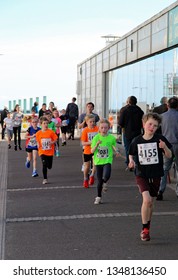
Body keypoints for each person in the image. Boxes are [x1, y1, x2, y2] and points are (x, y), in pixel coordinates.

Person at [128, 112, 172, 241]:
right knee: (146, 200)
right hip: (141, 174)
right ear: (144, 124)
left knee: (151, 203)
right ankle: (144, 229)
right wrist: (131, 161)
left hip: (156, 174)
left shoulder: (160, 139)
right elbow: (131, 153)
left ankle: (147, 224)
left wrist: (164, 148)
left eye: (155, 125)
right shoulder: (137, 140)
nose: (152, 127)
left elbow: (169, 156)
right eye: (150, 124)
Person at [91, 118, 119, 204]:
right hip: (98, 161)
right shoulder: (96, 138)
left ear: (109, 128)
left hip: (107, 160)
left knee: (107, 175)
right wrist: (97, 144)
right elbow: (92, 151)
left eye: (106, 128)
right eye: (102, 127)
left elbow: (114, 146)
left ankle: (105, 182)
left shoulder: (111, 138)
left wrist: (117, 151)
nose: (104, 129)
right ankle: (98, 197)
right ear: (99, 128)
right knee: (99, 181)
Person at [157, 96, 178, 200]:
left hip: (165, 145)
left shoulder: (161, 117)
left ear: (167, 105)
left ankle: (160, 191)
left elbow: (157, 131)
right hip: (177, 144)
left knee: (165, 168)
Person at [119, 96, 144, 169]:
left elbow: (120, 123)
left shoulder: (125, 110)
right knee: (137, 148)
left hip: (127, 132)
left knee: (128, 148)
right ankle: (136, 163)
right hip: (137, 133)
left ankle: (129, 163)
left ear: (129, 102)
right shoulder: (140, 111)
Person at [36, 116, 58, 184]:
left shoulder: (50, 132)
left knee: (49, 166)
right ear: (41, 124)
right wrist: (38, 145)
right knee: (44, 164)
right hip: (42, 151)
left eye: (46, 123)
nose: (46, 125)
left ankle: (49, 166)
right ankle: (45, 179)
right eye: (44, 123)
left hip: (50, 151)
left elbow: (55, 139)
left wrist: (52, 142)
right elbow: (37, 141)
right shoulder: (38, 133)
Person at [80, 114, 99, 188]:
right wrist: (91, 142)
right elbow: (83, 143)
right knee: (87, 166)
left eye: (94, 121)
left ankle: (92, 175)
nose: (92, 123)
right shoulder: (85, 131)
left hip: (96, 150)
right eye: (90, 122)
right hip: (87, 150)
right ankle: (85, 178)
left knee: (95, 165)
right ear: (87, 122)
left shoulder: (98, 129)